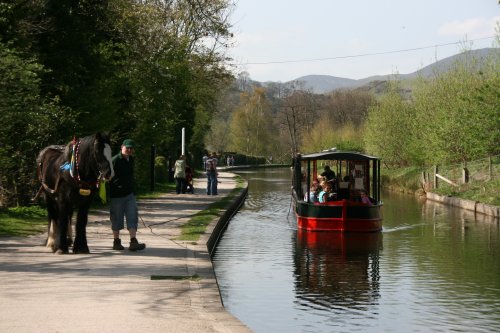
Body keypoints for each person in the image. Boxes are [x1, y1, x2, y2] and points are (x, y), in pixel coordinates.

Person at [109, 139, 146, 251]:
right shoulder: (114, 160)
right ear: (122, 147)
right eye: (127, 148)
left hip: (130, 194)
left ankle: (133, 241)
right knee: (116, 218)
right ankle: (116, 242)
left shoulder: (131, 160)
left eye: (131, 148)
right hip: (116, 195)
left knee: (132, 216)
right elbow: (107, 175)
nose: (129, 150)